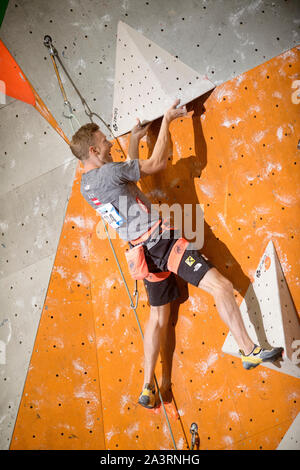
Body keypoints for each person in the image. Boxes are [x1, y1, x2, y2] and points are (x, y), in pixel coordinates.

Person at [70, 99, 283, 409]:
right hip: (162, 243)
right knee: (222, 286)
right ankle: (249, 351)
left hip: (140, 254)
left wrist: (133, 141)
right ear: (92, 150)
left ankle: (147, 386)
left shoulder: (87, 185)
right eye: (105, 142)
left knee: (158, 317)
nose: (109, 145)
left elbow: (124, 177)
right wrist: (168, 121)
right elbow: (155, 165)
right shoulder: (109, 173)